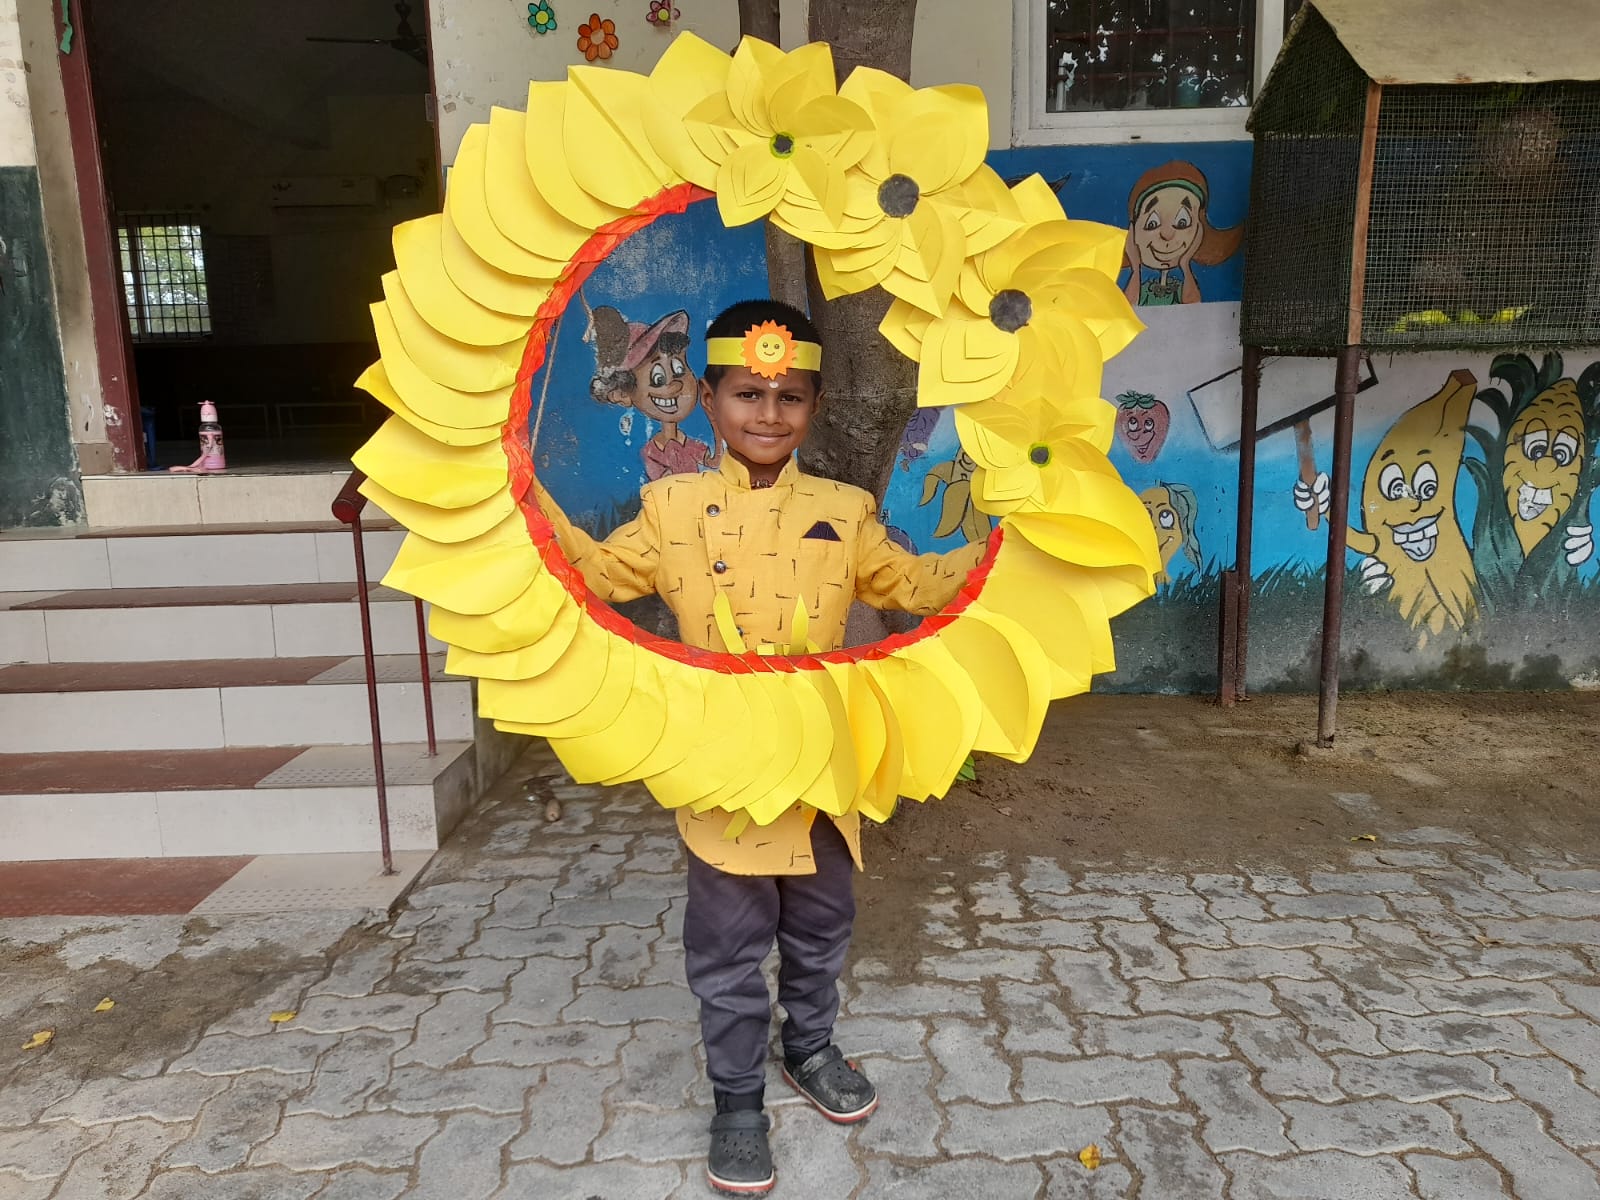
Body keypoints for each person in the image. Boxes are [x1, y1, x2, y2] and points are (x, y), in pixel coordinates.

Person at [535, 299, 986, 1196]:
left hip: (823, 766)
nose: (768, 414)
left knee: (822, 925)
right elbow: (590, 574)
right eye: (748, 393)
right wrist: (512, 498)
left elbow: (915, 582)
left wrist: (1011, 548)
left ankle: (809, 1048)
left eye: (789, 396)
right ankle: (737, 1100)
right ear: (709, 399)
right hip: (723, 771)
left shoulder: (845, 511)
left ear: (814, 406)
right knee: (729, 946)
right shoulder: (669, 508)